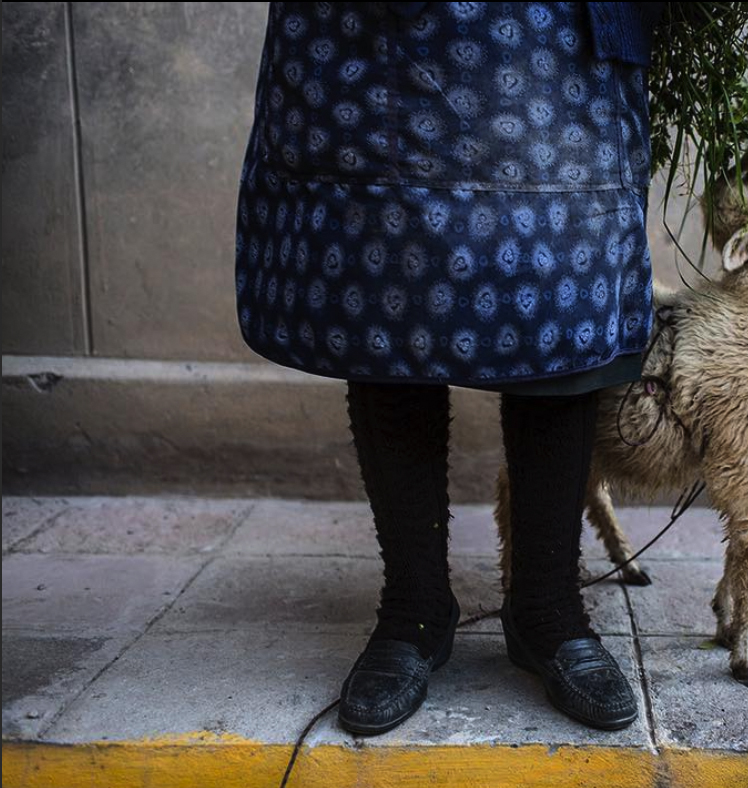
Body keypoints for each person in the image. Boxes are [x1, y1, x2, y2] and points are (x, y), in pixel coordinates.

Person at [234, 2, 666, 733]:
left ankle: (547, 612)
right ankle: (414, 611)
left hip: (550, 34)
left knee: (558, 296)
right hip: (377, 41)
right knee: (390, 294)